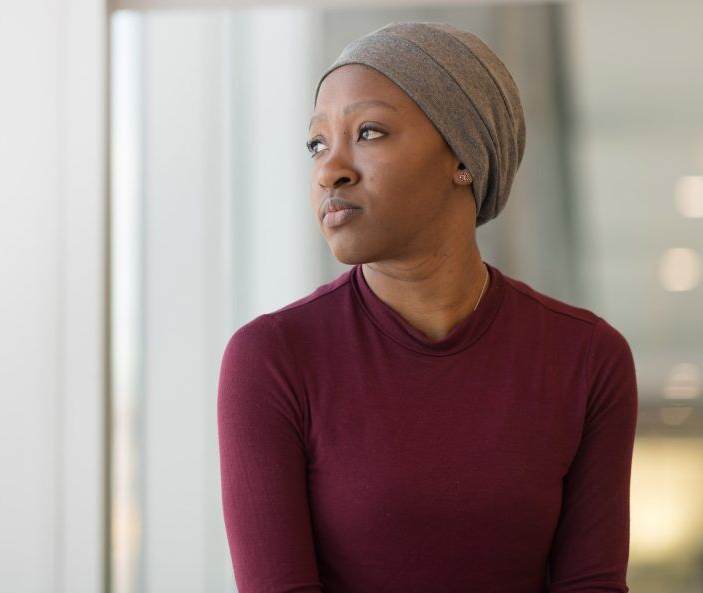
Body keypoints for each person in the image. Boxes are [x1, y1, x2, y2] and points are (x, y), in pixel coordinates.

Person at [216, 22, 638, 593]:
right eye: (317, 143)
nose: (328, 169)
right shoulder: (271, 360)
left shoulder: (586, 358)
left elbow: (591, 584)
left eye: (368, 132)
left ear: (462, 157)